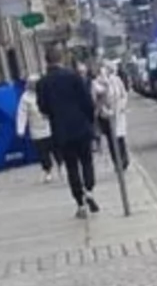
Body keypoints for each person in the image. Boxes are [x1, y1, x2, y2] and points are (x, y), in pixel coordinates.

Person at [38, 48, 99, 218]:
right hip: (80, 127)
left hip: (61, 131)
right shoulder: (73, 77)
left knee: (71, 167)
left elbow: (43, 108)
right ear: (61, 59)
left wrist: (54, 115)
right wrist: (89, 121)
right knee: (86, 160)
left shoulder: (43, 83)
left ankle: (80, 203)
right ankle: (89, 189)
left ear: (46, 61)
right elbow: (87, 101)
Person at [16, 75, 59, 183]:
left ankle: (61, 166)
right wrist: (20, 129)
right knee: (43, 152)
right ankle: (48, 170)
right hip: (36, 129)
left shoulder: (47, 93)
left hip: (50, 126)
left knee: (57, 149)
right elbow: (22, 114)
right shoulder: (25, 98)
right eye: (32, 84)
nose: (34, 86)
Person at [93, 61, 130, 171]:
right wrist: (105, 83)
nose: (106, 71)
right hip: (106, 116)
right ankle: (117, 162)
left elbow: (124, 94)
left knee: (121, 137)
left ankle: (124, 159)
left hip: (119, 112)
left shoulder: (117, 80)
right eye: (104, 69)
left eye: (108, 69)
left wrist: (122, 105)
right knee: (112, 139)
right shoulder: (97, 83)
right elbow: (97, 98)